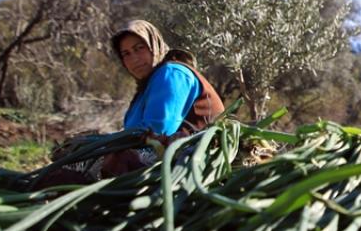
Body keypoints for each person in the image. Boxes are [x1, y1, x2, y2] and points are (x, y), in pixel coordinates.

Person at [40, 20, 224, 184]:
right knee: (72, 157)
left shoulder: (172, 73)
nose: (133, 59)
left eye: (139, 48)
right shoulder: (147, 87)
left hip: (189, 157)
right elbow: (132, 132)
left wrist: (99, 143)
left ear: (154, 46)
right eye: (126, 54)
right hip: (158, 151)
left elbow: (158, 130)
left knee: (98, 161)